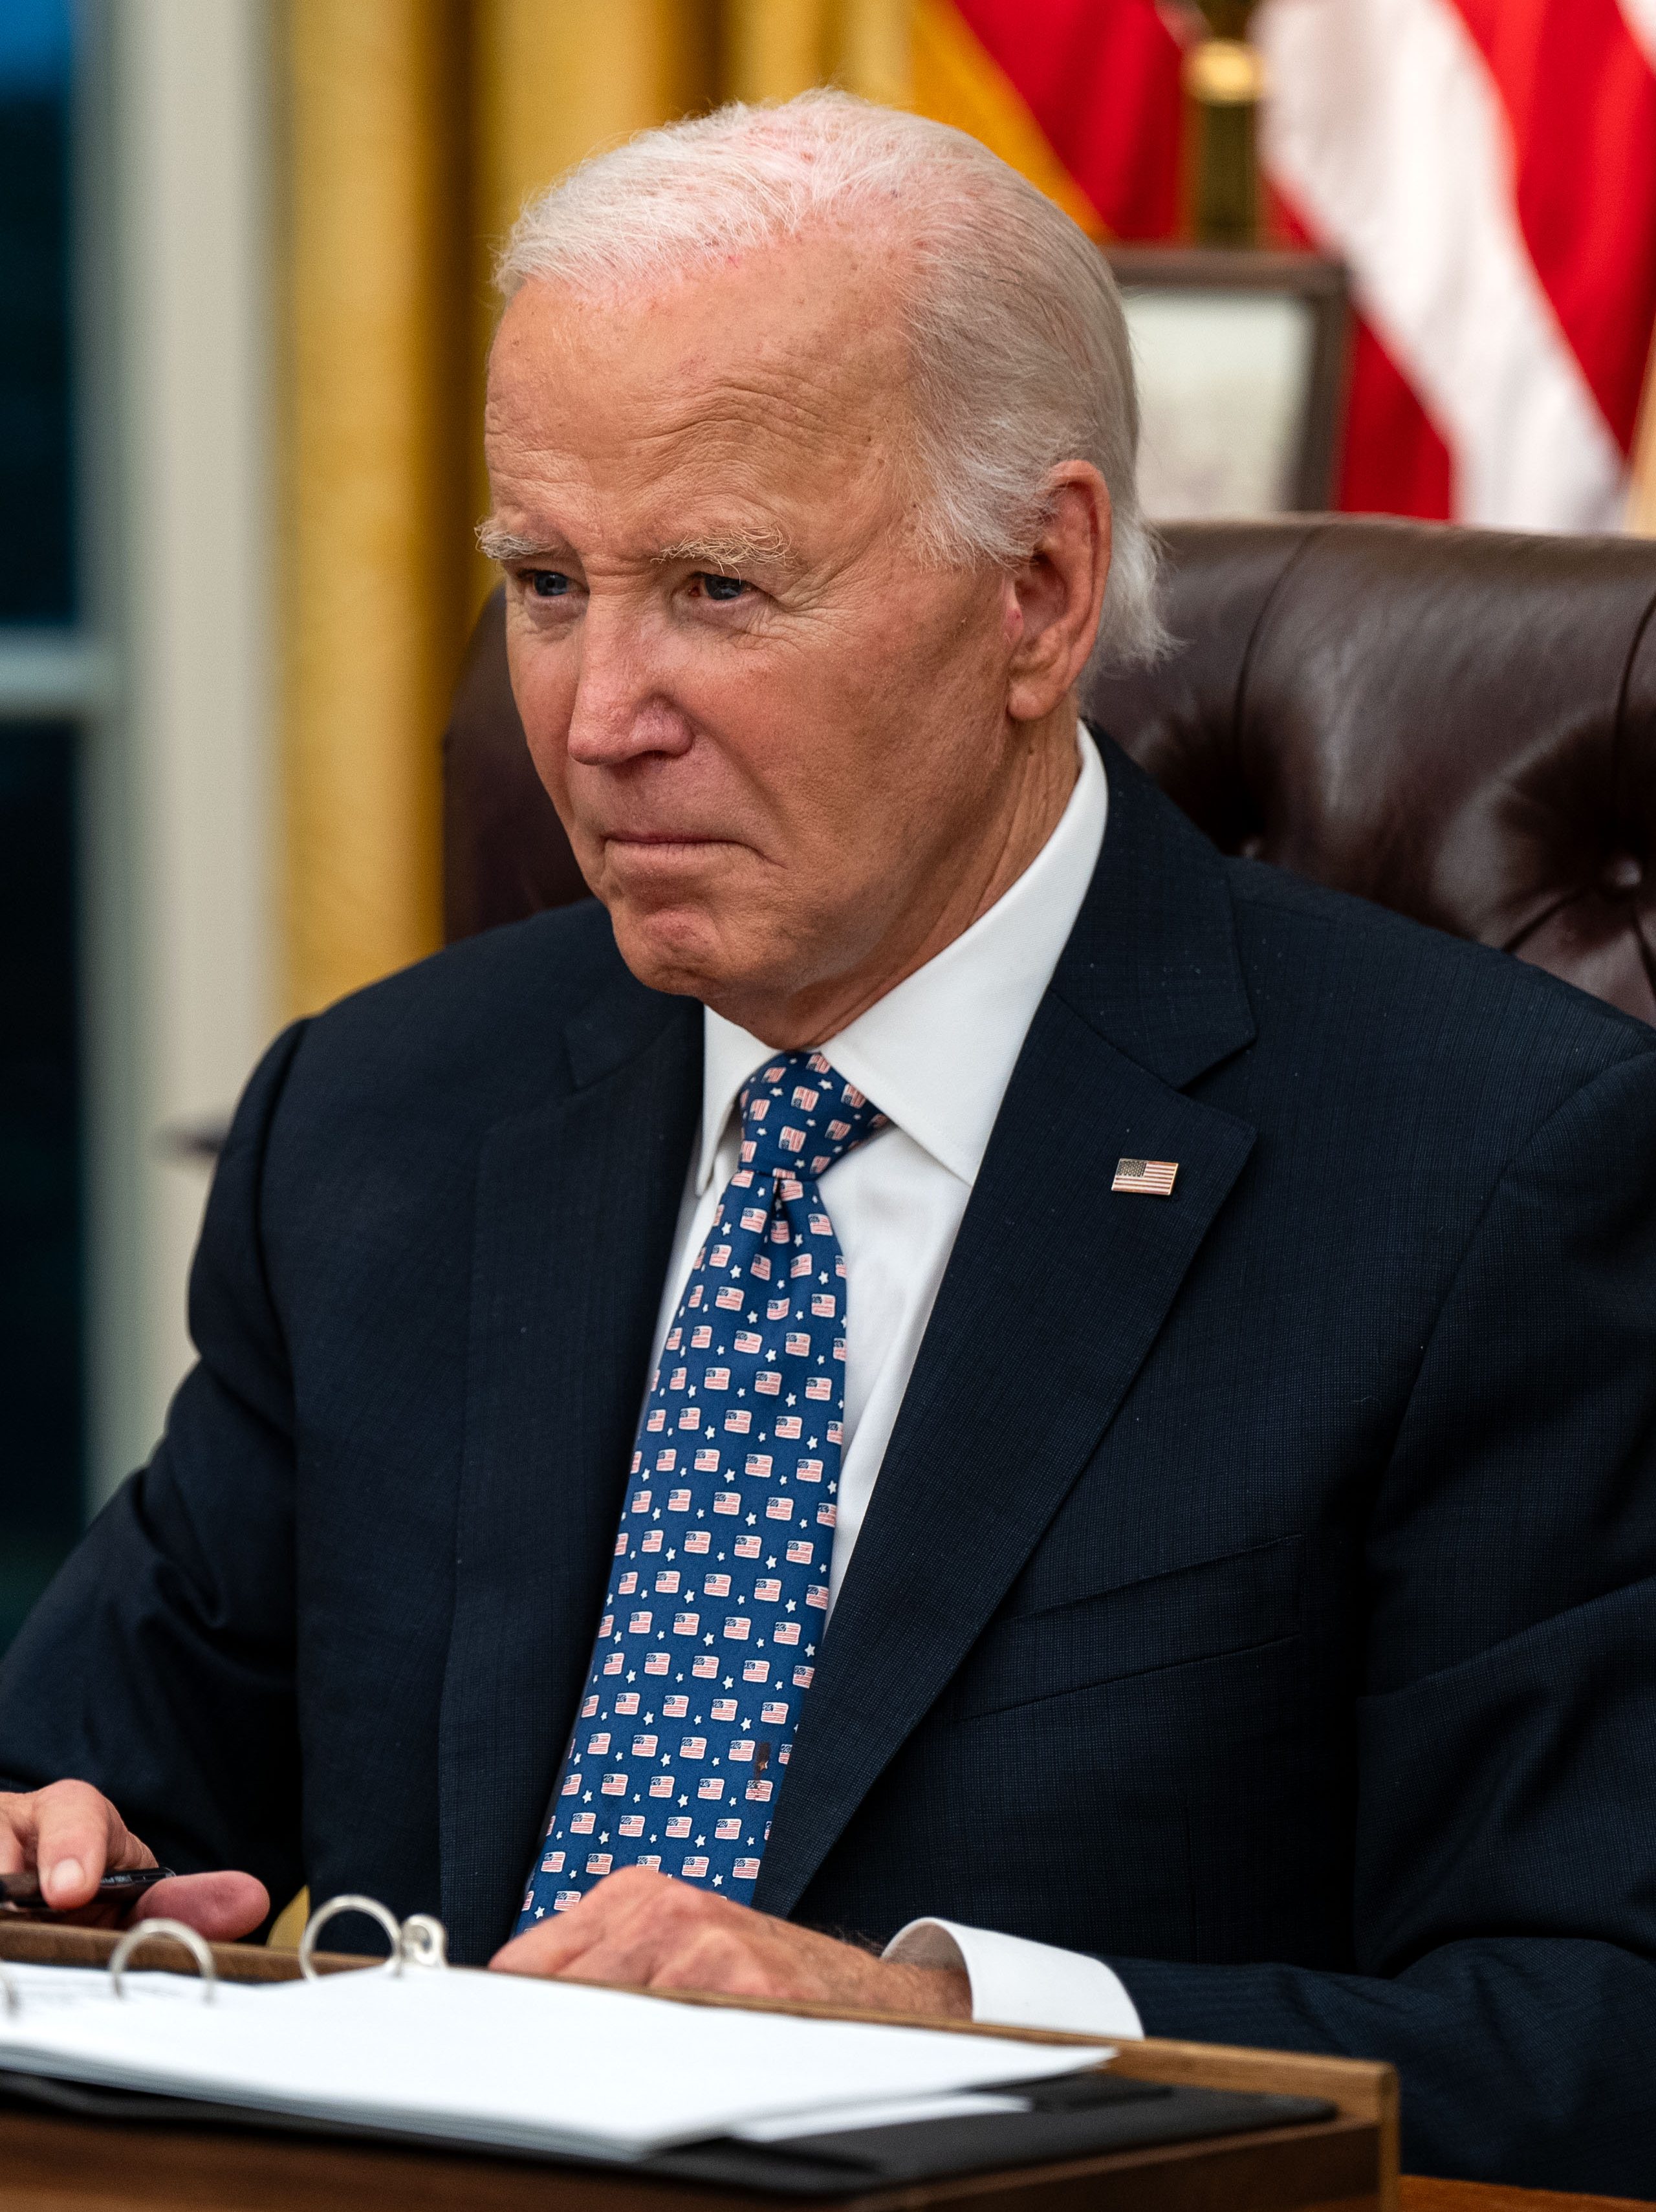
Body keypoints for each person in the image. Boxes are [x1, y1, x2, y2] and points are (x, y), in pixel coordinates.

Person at [3, 92, 1655, 2193]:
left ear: (1038, 593)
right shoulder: (384, 1122)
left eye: (717, 584)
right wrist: (40, 1849)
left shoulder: (1495, 1172)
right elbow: (92, 1783)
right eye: (543, 582)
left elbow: (1600, 2030)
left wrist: (956, 2015)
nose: (599, 713)